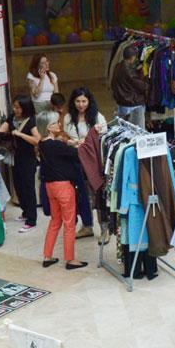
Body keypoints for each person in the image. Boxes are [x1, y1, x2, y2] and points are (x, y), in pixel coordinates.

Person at [37, 111, 88, 270]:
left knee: (55, 221)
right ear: (49, 127)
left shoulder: (43, 144)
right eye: (56, 123)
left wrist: (69, 144)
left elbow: (61, 150)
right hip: (64, 187)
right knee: (69, 223)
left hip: (50, 187)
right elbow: (76, 154)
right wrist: (83, 142)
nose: (59, 125)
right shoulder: (57, 145)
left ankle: (47, 256)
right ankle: (70, 259)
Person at [62, 87, 104, 237]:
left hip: (93, 162)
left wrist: (87, 142)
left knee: (98, 193)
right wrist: (71, 142)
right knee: (82, 194)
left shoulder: (97, 117)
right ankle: (87, 225)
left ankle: (104, 228)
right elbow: (64, 136)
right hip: (76, 160)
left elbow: (103, 139)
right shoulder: (68, 118)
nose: (81, 104)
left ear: (89, 101)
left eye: (84, 101)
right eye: (78, 101)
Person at [0, 95, 41, 233]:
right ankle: (25, 212)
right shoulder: (11, 118)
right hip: (15, 158)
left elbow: (37, 140)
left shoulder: (31, 120)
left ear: (24, 108)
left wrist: (20, 135)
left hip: (28, 159)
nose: (15, 109)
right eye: (14, 107)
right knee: (18, 186)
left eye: (18, 107)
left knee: (28, 188)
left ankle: (32, 220)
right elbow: (1, 131)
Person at [111, 46, 149, 130]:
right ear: (132, 57)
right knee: (138, 131)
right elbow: (139, 84)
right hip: (133, 103)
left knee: (123, 130)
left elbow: (115, 83)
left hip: (122, 103)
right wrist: (148, 83)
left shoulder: (118, 66)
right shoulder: (129, 70)